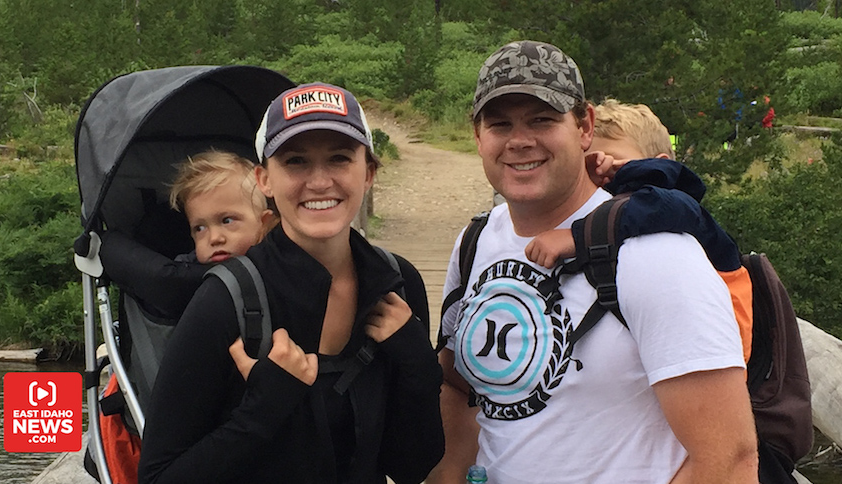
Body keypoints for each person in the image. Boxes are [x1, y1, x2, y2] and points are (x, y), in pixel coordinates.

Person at [432, 41, 757, 483]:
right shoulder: (475, 240)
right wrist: (451, 469)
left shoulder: (656, 253)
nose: (520, 140)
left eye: (542, 120)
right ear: (478, 136)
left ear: (584, 125)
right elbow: (458, 386)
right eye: (500, 124)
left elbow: (730, 460)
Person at [138, 82, 444, 484]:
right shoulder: (227, 301)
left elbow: (410, 466)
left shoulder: (396, 284)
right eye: (296, 161)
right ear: (264, 180)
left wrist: (418, 363)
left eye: (339, 158)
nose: (319, 182)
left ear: (368, 173)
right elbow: (158, 477)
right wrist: (262, 411)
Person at [525, 99, 754, 364]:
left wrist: (576, 236)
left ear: (660, 166)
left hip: (719, 350)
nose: (602, 169)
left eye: (613, 159)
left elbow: (663, 205)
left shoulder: (673, 200)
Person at [100, 149, 276, 320]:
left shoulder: (283, 266)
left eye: (227, 221)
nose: (214, 238)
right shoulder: (184, 272)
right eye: (200, 228)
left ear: (265, 223)